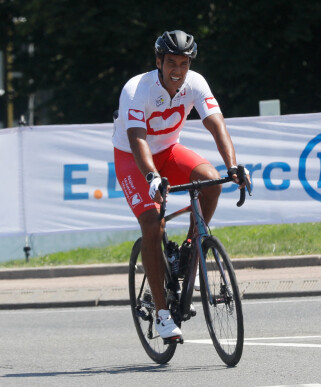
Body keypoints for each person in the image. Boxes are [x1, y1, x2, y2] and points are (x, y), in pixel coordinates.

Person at [112, 30, 249, 341]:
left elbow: (217, 123)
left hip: (170, 151)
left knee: (212, 181)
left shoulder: (195, 84)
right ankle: (162, 314)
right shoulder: (137, 89)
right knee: (153, 223)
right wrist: (151, 176)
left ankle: (190, 251)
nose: (177, 70)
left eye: (184, 63)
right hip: (134, 158)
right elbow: (137, 137)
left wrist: (232, 166)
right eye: (171, 62)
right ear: (159, 61)